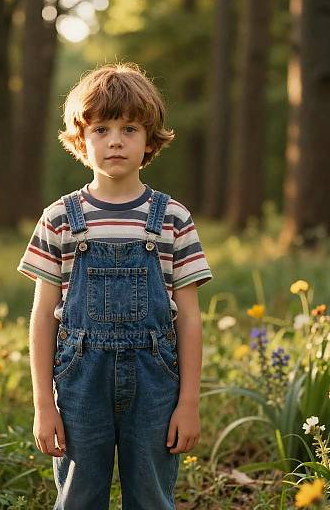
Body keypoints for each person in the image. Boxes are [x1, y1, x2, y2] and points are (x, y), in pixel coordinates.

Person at [17, 62, 213, 510]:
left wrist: (188, 403)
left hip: (155, 381)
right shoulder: (60, 218)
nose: (115, 140)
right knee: (79, 496)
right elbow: (43, 315)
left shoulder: (172, 219)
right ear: (80, 140)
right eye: (101, 129)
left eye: (129, 128)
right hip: (80, 380)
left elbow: (190, 318)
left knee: (151, 497)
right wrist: (44, 405)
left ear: (150, 140)